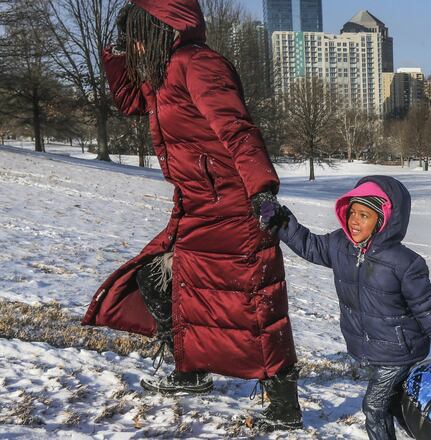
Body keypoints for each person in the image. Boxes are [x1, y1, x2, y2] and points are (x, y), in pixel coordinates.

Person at [81, 0, 301, 433]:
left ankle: (284, 403)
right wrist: (116, 50)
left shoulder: (199, 65)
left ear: (164, 27)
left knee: (254, 302)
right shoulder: (158, 74)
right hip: (196, 204)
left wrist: (263, 193)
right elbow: (127, 100)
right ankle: (193, 370)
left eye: (139, 34)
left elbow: (237, 128)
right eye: (131, 37)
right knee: (168, 283)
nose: (135, 44)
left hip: (236, 206)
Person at [276, 176, 431, 440]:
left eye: (364, 215)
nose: (354, 220)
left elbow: (427, 307)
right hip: (371, 347)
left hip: (400, 351)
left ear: (383, 219)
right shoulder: (340, 245)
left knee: (373, 407)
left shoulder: (404, 263)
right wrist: (281, 222)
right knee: (393, 404)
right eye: (352, 212)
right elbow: (309, 245)